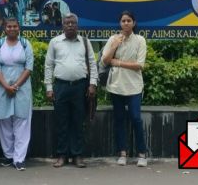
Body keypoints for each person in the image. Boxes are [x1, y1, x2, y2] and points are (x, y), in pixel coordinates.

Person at [44, 13, 97, 168]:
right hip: (60, 87)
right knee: (62, 122)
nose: (70, 25)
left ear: (77, 25)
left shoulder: (85, 42)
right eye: (67, 23)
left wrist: (92, 84)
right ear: (62, 25)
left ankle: (77, 155)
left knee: (78, 122)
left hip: (80, 87)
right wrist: (49, 87)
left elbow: (92, 64)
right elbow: (48, 65)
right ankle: (62, 155)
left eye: (73, 23)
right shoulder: (55, 42)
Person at [101, 11, 147, 167]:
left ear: (133, 23)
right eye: (123, 20)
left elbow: (139, 65)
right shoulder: (113, 39)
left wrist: (118, 62)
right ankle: (122, 153)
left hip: (134, 87)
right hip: (116, 87)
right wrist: (114, 46)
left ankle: (142, 153)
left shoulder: (140, 40)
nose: (126, 23)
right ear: (120, 23)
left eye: (129, 20)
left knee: (136, 118)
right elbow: (105, 61)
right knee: (119, 120)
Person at [0, 18, 34, 171]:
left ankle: (19, 158)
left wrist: (15, 86)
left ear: (19, 28)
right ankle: (9, 155)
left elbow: (29, 67)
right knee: (4, 122)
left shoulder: (25, 44)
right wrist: (6, 86)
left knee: (22, 122)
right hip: (2, 87)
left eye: (15, 26)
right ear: (4, 28)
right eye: (9, 26)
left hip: (22, 88)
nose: (11, 29)